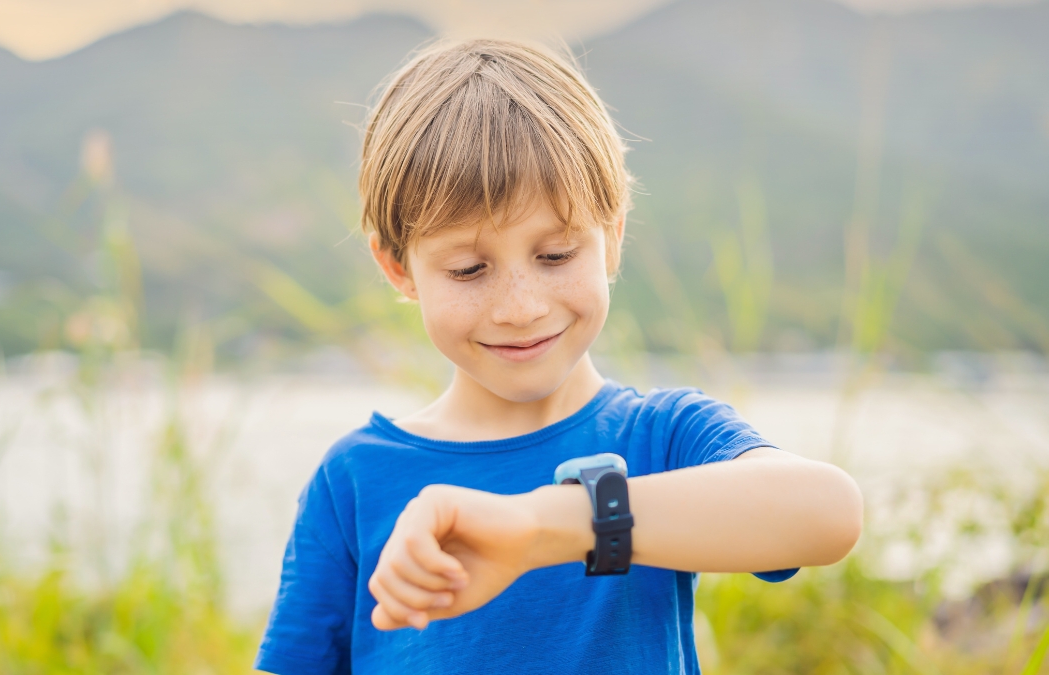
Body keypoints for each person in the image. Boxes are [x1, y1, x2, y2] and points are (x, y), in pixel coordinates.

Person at [254, 38, 863, 675]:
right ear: (398, 268)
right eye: (467, 269)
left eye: (556, 255)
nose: (521, 307)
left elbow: (826, 512)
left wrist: (546, 526)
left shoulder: (662, 437)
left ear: (612, 238)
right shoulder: (354, 479)